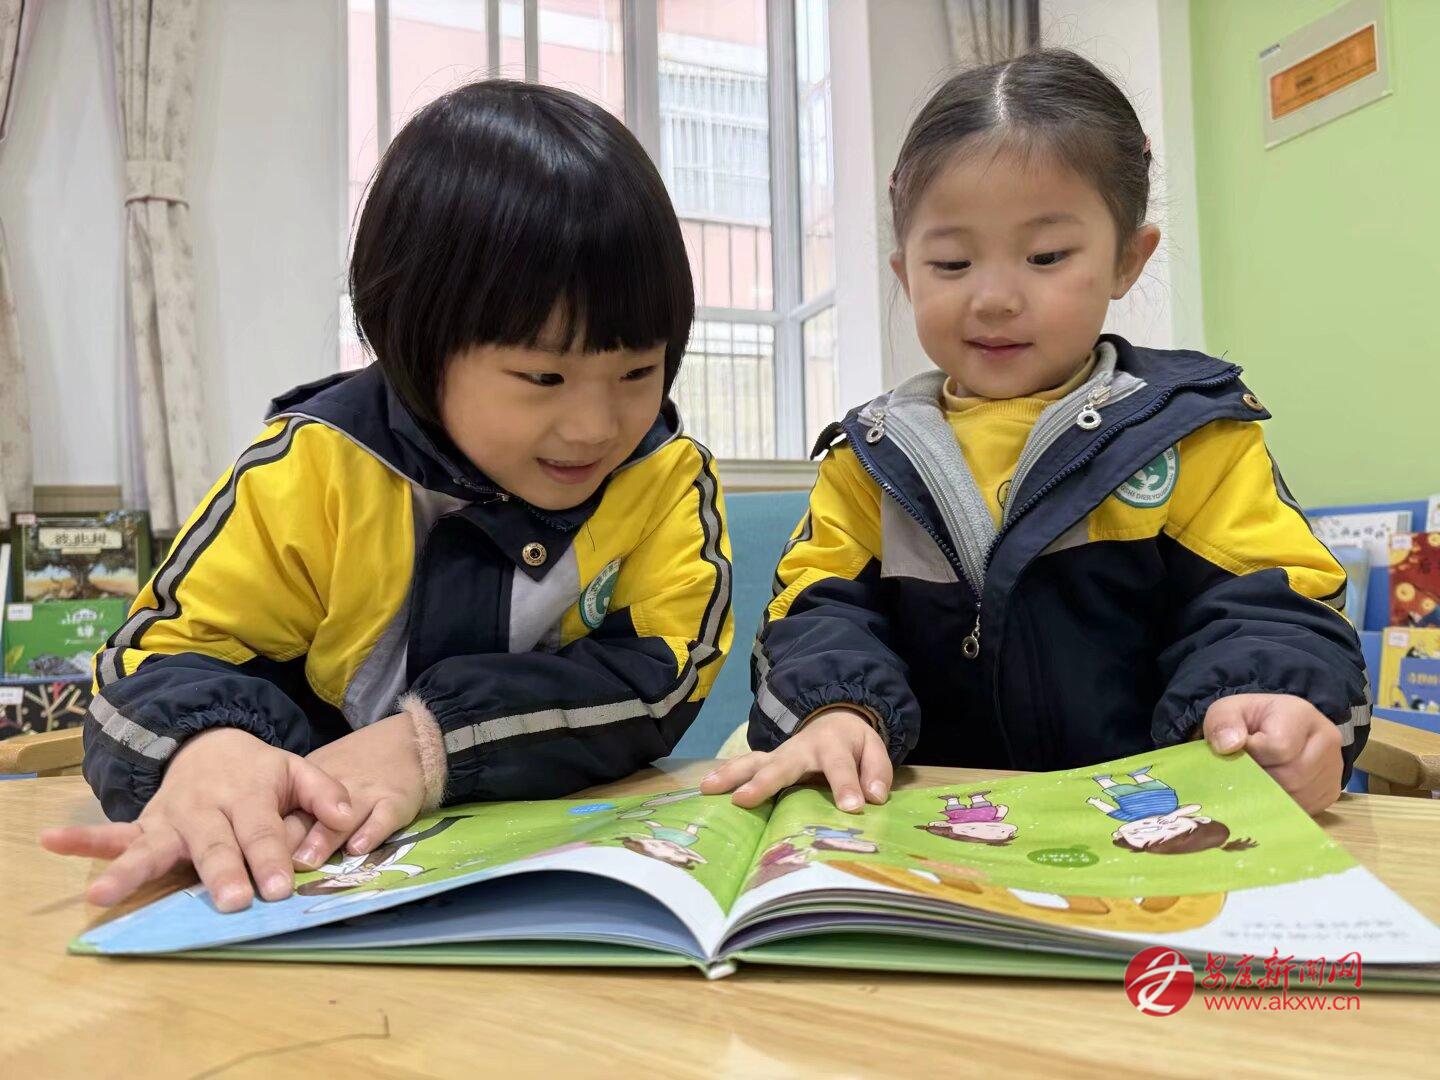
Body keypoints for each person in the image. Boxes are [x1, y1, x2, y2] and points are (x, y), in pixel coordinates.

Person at [42, 81, 732, 912]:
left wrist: (429, 742)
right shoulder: (315, 468)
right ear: (419, 340)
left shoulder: (663, 479)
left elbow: (661, 676)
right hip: (311, 879)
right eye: (543, 377)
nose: (595, 427)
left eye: (638, 372)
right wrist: (206, 749)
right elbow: (153, 663)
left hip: (540, 877)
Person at [703, 49, 1366, 818]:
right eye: (951, 262)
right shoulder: (869, 462)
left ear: (1128, 259)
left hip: (1150, 829)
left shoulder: (1193, 441)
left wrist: (1270, 698)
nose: (992, 298)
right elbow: (816, 615)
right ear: (905, 273)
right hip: (928, 837)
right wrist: (836, 710)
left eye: (1046, 256)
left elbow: (1275, 608)